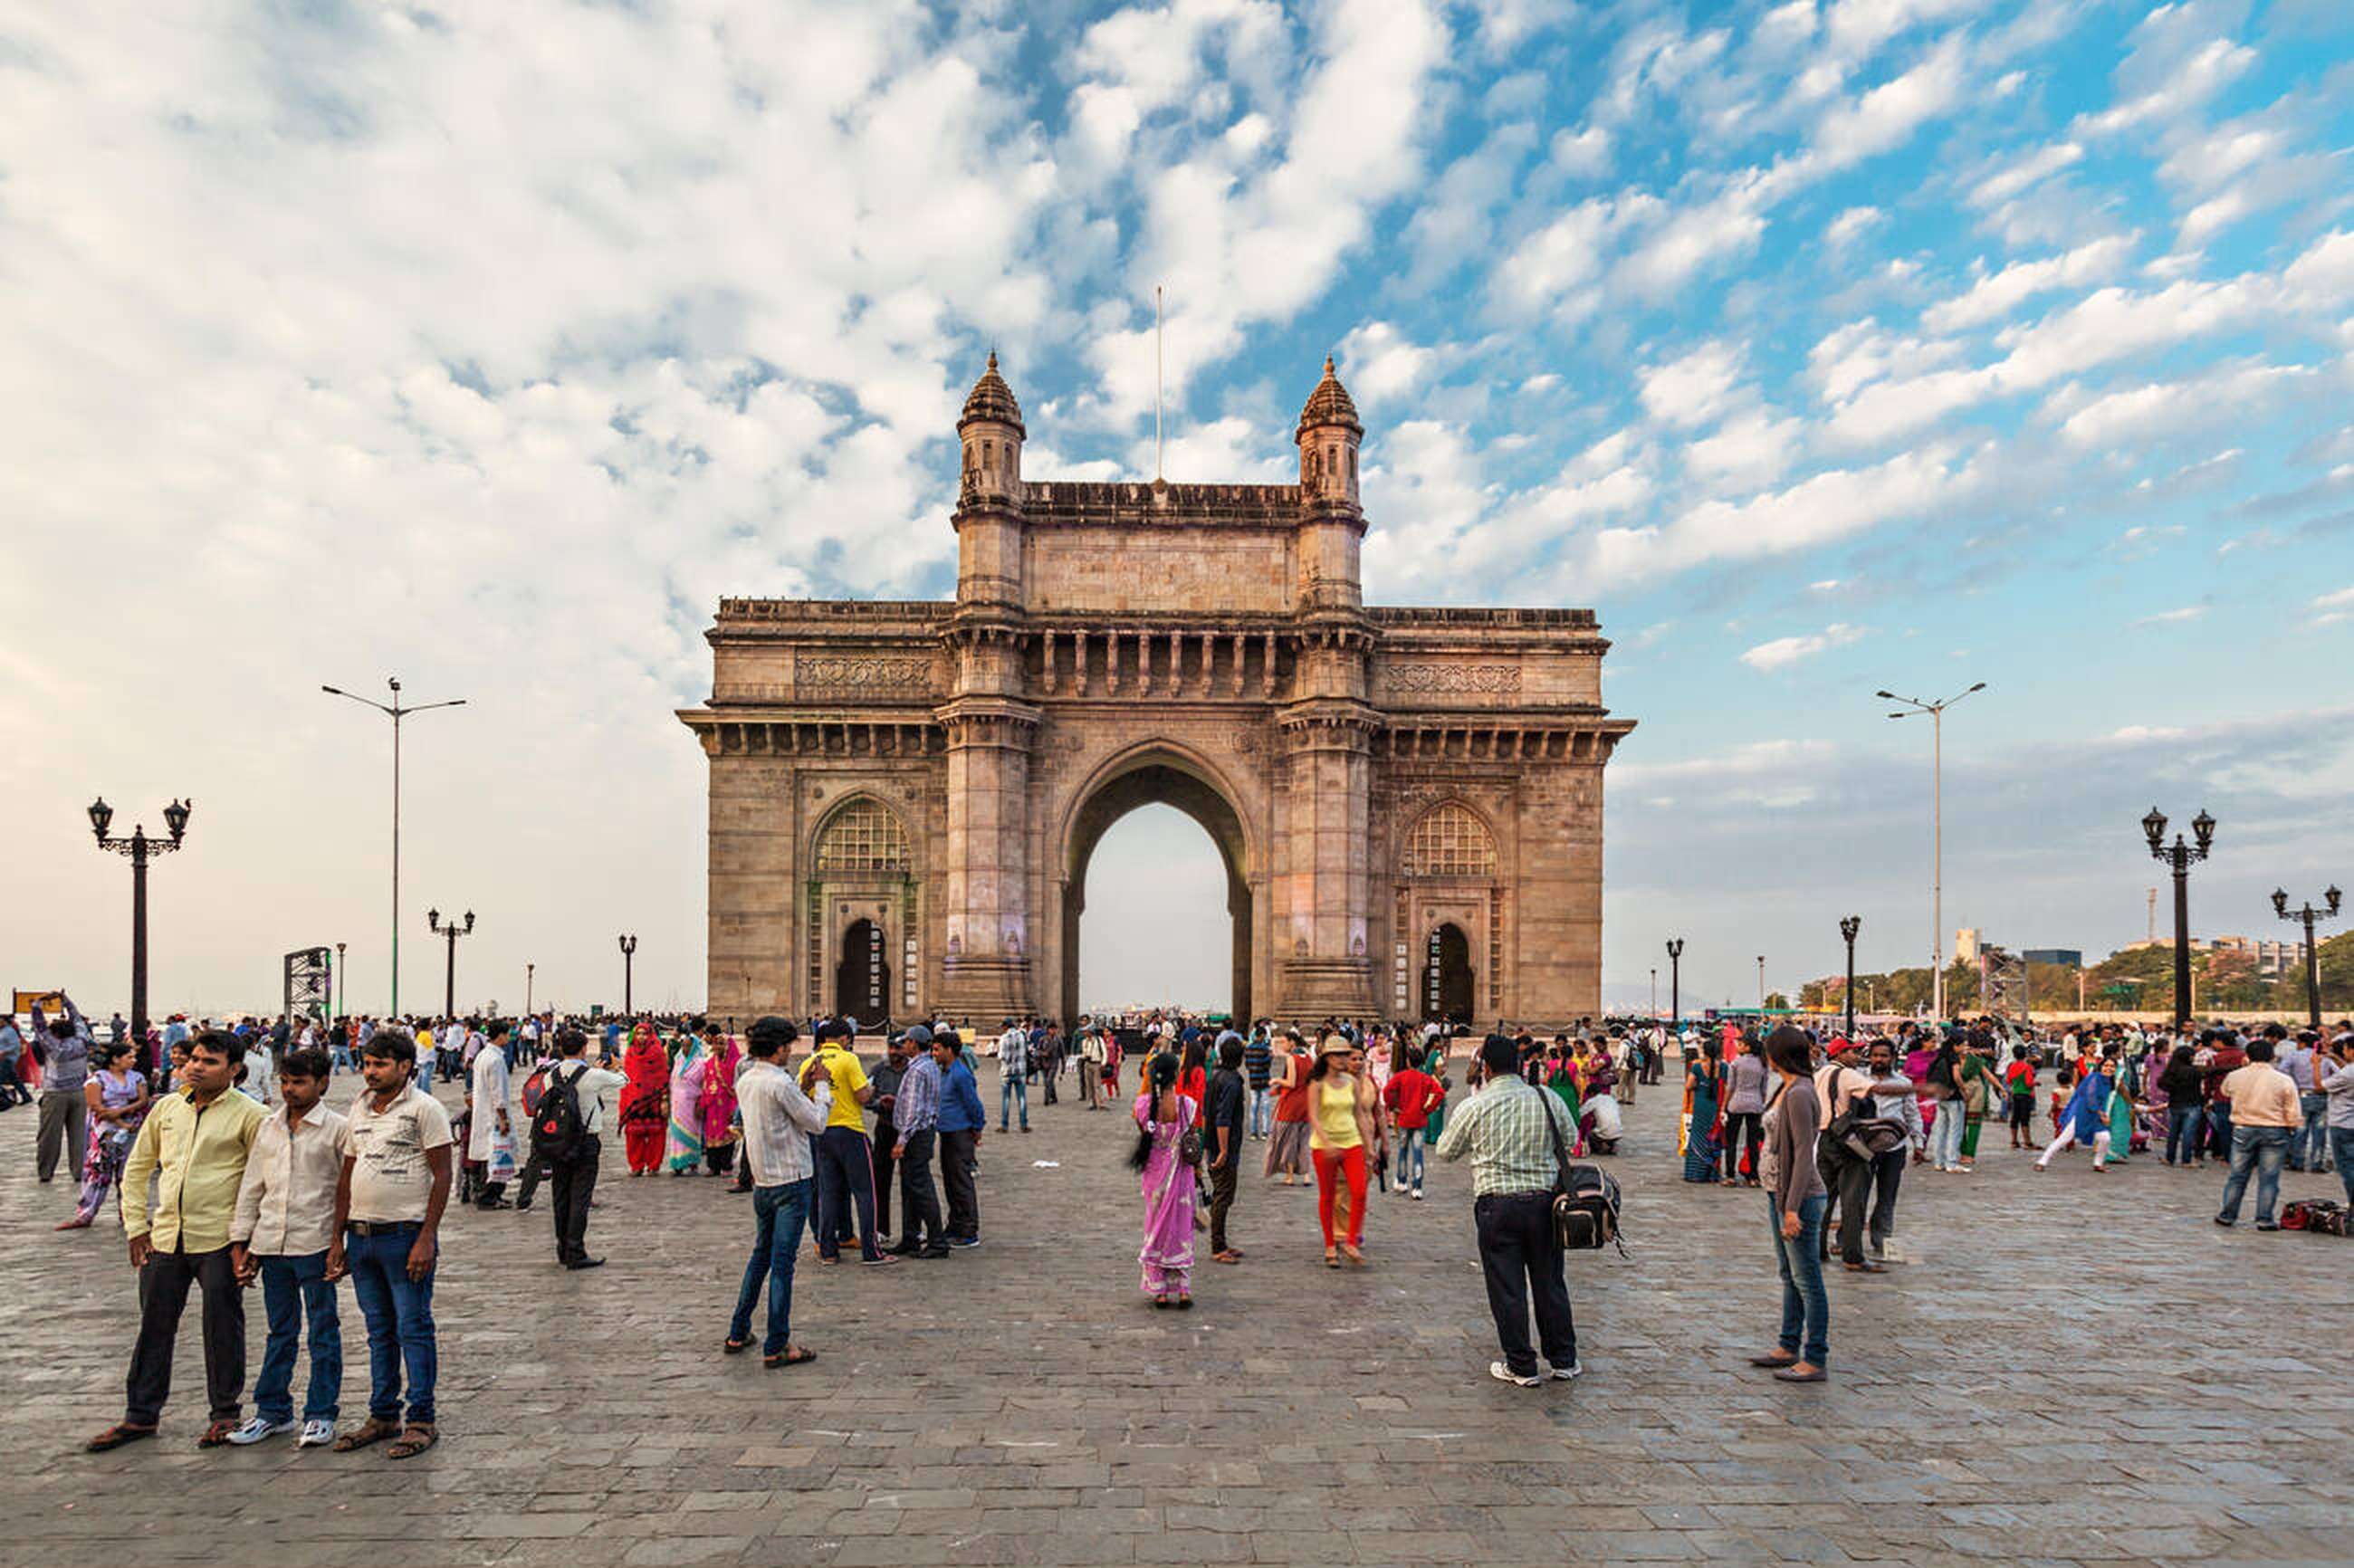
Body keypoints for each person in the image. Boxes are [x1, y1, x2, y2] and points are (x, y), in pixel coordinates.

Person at [84, 1030, 268, 1451]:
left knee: (222, 1327)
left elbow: (260, 1182)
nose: (196, 1067)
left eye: (210, 1062)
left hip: (219, 1238)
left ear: (234, 1070)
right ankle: (140, 1415)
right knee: (154, 1326)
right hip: (165, 1236)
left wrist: (247, 1241)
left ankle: (224, 1413)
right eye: (195, 1059)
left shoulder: (251, 1115)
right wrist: (136, 1225)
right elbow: (138, 1167)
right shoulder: (168, 1108)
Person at [327, 1028, 452, 1458]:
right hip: (362, 1237)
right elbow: (347, 1173)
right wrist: (337, 1237)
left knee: (412, 1328)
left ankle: (421, 1418)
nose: (371, 1072)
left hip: (405, 1236)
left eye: (380, 1064)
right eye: (367, 1063)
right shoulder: (359, 1107)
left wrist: (427, 1236)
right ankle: (382, 1413)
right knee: (379, 1331)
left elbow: (442, 1175)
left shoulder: (424, 1109)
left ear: (405, 1067)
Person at [1434, 1035, 1580, 1388]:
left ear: (1486, 1068)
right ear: (1519, 1064)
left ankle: (1522, 1366)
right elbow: (1571, 1139)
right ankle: (1563, 1360)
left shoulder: (1475, 1106)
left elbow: (1445, 1152)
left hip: (1497, 1206)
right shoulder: (1548, 1098)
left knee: (1507, 1287)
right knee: (1550, 1282)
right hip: (1544, 1204)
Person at [225, 1048, 346, 1448]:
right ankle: (272, 1411)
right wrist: (241, 1241)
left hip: (314, 1242)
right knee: (280, 1331)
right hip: (272, 1243)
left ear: (322, 1083)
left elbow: (345, 1192)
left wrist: (338, 1242)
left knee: (322, 1331)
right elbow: (252, 1186)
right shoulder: (269, 1127)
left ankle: (321, 1412)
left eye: (300, 1082)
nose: (290, 1090)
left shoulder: (337, 1130)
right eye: (285, 1082)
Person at [726, 1018, 832, 1367]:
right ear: (778, 1047)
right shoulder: (780, 1083)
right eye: (787, 1046)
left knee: (761, 1257)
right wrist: (822, 1086)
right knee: (783, 1264)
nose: (790, 1051)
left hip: (763, 1183)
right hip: (792, 1181)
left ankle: (738, 1331)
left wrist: (801, 1085)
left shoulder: (746, 1080)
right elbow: (817, 1123)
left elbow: (778, 1111)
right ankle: (777, 1344)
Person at [1754, 1026, 1830, 1382]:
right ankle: (1788, 1345)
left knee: (1807, 1279)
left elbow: (1803, 1154)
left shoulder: (1798, 1093)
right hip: (1778, 1192)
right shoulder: (1785, 1087)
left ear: (1777, 1055)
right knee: (1789, 1275)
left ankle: (1815, 1357)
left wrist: (1792, 1208)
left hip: (1799, 1197)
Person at [806, 1019, 894, 1265]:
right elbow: (862, 1096)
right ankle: (871, 1251)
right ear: (844, 1038)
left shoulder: (809, 1062)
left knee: (827, 1194)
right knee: (865, 1192)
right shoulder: (848, 1059)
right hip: (850, 1131)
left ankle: (828, 1251)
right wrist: (873, 1090)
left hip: (822, 1132)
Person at [541, 1028, 626, 1268]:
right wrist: (615, 1067)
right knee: (580, 1197)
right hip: (585, 1141)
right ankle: (576, 1251)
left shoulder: (550, 1075)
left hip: (558, 1140)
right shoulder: (592, 1075)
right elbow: (625, 1081)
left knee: (560, 1195)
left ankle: (562, 1248)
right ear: (584, 1048)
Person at [1130, 1052, 1200, 1308]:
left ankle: (1160, 1290)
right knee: (1181, 1230)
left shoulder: (1143, 1106)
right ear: (1176, 1075)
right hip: (1180, 1175)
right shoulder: (1187, 1105)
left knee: (1155, 1228)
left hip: (1154, 1177)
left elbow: (1144, 1133)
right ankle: (1182, 1290)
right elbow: (1192, 1136)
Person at [2214, 1036, 2301, 1229]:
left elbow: (2225, 1091)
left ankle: (2227, 1215)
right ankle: (2264, 1218)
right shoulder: (2283, 1079)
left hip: (2243, 1128)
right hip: (2274, 1129)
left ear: (2247, 1056)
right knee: (2269, 1178)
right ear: (2272, 1057)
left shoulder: (2235, 1076)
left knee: (2237, 1176)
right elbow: (2292, 1109)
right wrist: (2292, 1127)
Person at [62, 1040, 152, 1229]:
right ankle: (86, 1213)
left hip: (132, 1129)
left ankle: (129, 1214)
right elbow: (96, 1106)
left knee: (128, 1173)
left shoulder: (137, 1077)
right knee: (98, 1172)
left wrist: (121, 1112)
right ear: (115, 1059)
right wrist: (120, 1122)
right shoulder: (97, 1079)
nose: (133, 1060)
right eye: (129, 1057)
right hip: (106, 1132)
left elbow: (143, 1100)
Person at [1305, 1037, 1374, 1268]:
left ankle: (1351, 1241)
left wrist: (1369, 1145)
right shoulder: (1317, 1084)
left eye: (1346, 1054)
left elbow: (1359, 1115)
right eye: (1338, 1055)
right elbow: (1313, 1116)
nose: (1343, 1059)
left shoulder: (1351, 1082)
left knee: (1360, 1191)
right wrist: (1326, 1143)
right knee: (1328, 1195)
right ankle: (1330, 1245)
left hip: (1351, 1142)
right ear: (1327, 1058)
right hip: (1324, 1146)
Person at [885, 1025, 949, 1257]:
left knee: (921, 1188)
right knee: (910, 1186)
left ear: (914, 1043)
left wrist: (901, 1140)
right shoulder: (929, 1066)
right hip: (924, 1131)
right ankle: (910, 1237)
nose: (903, 1045)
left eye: (906, 1041)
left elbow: (914, 1109)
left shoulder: (917, 1070)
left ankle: (937, 1241)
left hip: (915, 1135)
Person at [32, 994, 94, 1183]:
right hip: (80, 1093)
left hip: (55, 1094)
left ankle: (46, 1172)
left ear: (55, 1033)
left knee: (49, 1135)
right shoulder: (82, 1041)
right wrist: (65, 1001)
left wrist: (37, 1004)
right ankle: (79, 1171)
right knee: (79, 1135)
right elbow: (78, 1019)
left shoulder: (52, 1045)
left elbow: (39, 1025)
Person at [934, 1029, 986, 1248]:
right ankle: (955, 1224)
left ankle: (968, 1230)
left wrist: (977, 1127)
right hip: (947, 1132)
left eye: (937, 1049)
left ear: (949, 1050)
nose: (934, 1053)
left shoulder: (960, 1074)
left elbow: (973, 1104)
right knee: (950, 1182)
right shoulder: (944, 1072)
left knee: (961, 1182)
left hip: (960, 1133)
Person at [1204, 1035, 1247, 1266]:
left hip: (1213, 1143)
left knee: (1223, 1194)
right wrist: (1223, 1150)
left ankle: (1221, 1242)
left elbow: (1207, 1113)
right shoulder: (1232, 1082)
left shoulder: (1215, 1076)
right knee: (1223, 1196)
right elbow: (1223, 1118)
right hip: (1225, 1147)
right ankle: (1218, 1246)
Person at [2035, 1055, 2116, 1172]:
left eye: (2112, 1066)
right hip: (2082, 1114)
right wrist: (2102, 1114)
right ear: (2101, 1067)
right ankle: (2042, 1161)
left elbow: (2102, 1101)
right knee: (2064, 1139)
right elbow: (2090, 1098)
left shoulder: (2108, 1081)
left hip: (2095, 1115)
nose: (2109, 1068)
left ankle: (2098, 1164)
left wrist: (2102, 1113)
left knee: (2105, 1138)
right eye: (2106, 1065)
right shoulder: (2094, 1078)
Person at [467, 1020, 515, 1209]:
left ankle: (487, 1193)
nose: (509, 1037)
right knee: (497, 1156)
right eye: (507, 1034)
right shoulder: (495, 1060)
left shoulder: (483, 1056)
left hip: (484, 1112)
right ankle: (489, 1196)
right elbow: (498, 1092)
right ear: (501, 1035)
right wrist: (503, 1118)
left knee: (488, 1155)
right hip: (493, 1114)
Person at [1383, 1045, 1442, 1200]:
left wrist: (1393, 1105)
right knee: (1418, 1153)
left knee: (1403, 1151)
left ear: (1408, 1061)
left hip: (1404, 1119)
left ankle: (1402, 1181)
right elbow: (1439, 1093)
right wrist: (1427, 1109)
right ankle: (1417, 1187)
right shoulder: (1425, 1078)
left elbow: (1387, 1090)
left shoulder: (1401, 1076)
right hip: (1420, 1119)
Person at [867, 1032, 911, 1229]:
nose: (893, 1052)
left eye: (898, 1048)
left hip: (908, 1130)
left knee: (910, 1180)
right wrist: (880, 1103)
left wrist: (899, 1104)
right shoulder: (879, 1070)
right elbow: (866, 1098)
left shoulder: (913, 1071)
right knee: (880, 1179)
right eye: (891, 1047)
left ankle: (912, 1230)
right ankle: (881, 1228)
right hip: (885, 1126)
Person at [617, 1022, 669, 1176]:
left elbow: (663, 1077)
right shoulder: (630, 1053)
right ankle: (636, 1166)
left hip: (654, 1100)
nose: (641, 1037)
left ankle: (654, 1165)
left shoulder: (658, 1053)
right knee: (634, 1136)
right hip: (634, 1100)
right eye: (638, 1034)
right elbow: (628, 1078)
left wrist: (664, 1099)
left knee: (656, 1135)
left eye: (644, 1034)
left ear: (650, 1035)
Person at [1265, 1031, 1314, 1185]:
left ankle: (1290, 1176)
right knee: (1304, 1142)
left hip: (1292, 1105)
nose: (1283, 1045)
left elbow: (1291, 1083)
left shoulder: (1292, 1059)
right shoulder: (1309, 1058)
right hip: (1306, 1103)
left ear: (1292, 1042)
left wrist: (1276, 1080)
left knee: (1289, 1142)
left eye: (1284, 1042)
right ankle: (1307, 1176)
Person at [2316, 1030, 2354, 1206]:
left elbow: (2319, 1087)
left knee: (2347, 1167)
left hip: (2343, 1124)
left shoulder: (2348, 1073)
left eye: (2345, 1049)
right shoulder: (2348, 1070)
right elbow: (2346, 1071)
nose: (2343, 1053)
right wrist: (2333, 1057)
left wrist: (2316, 1065)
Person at [666, 1030, 708, 1173]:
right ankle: (678, 1163)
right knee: (676, 1134)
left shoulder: (701, 1063)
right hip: (677, 1103)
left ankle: (692, 1162)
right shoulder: (678, 1061)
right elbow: (672, 1081)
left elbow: (705, 1084)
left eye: (689, 1046)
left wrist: (701, 1103)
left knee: (693, 1132)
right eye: (683, 1045)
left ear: (695, 1047)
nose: (685, 1049)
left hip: (692, 1104)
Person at [1682, 1039, 1724, 1182]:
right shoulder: (1724, 1067)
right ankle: (1712, 1173)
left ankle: (1696, 1173)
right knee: (1714, 1139)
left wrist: (1699, 1085)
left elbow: (1689, 1085)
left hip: (1700, 1105)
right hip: (1716, 1106)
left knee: (1698, 1138)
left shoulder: (1697, 1067)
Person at [997, 1018, 1030, 1133]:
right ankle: (1023, 1124)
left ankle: (1004, 1125)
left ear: (1006, 1026)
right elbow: (1025, 1052)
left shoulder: (1004, 1038)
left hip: (1007, 1072)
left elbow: (1002, 1056)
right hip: (1020, 1071)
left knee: (1006, 1099)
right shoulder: (1021, 1036)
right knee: (1022, 1099)